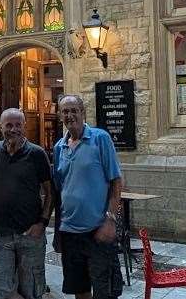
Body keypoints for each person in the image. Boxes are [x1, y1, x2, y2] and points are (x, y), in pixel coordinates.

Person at [0, 108, 53, 299]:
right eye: (9, 125)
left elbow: (50, 192)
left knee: (32, 291)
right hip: (3, 236)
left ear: (24, 126)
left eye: (18, 125)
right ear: (0, 127)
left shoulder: (37, 154)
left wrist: (42, 223)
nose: (13, 129)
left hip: (31, 235)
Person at [53, 95, 124, 299]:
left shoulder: (100, 138)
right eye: (65, 111)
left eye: (74, 110)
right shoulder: (59, 147)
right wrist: (58, 230)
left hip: (97, 231)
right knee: (80, 289)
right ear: (60, 115)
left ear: (83, 112)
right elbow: (60, 190)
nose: (69, 115)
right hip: (69, 232)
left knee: (105, 291)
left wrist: (110, 220)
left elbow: (116, 181)